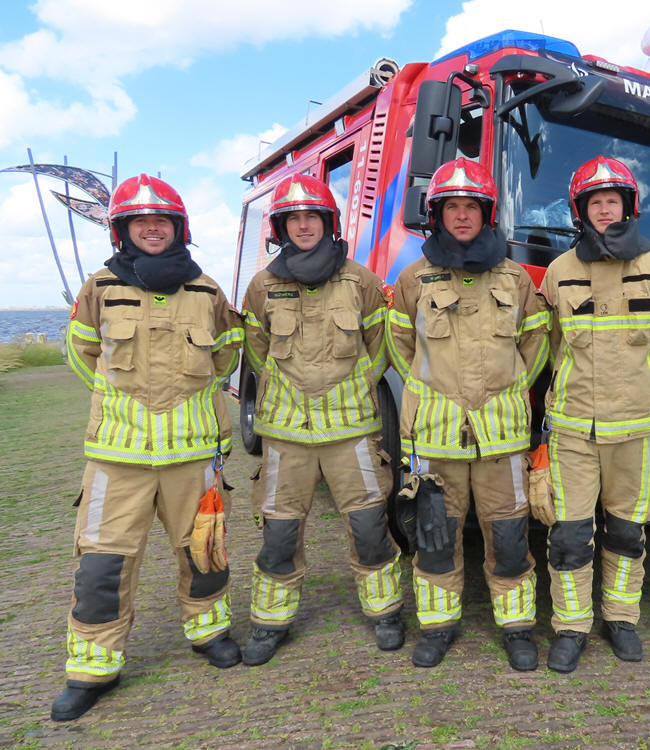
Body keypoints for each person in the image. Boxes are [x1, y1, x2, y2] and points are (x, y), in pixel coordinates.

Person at [54, 174, 244, 721]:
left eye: (161, 220)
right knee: (101, 565)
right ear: (123, 230)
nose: (152, 228)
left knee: (205, 551)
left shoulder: (207, 291)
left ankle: (208, 633)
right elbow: (80, 355)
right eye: (141, 221)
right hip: (118, 459)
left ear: (177, 228)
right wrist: (124, 404)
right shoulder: (100, 287)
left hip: (192, 457)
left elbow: (226, 357)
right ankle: (93, 668)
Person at [387, 157, 549, 670]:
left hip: (502, 438)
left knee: (509, 535)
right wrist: (433, 395)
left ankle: (518, 628)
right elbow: (400, 348)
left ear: (487, 214)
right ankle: (437, 627)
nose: (461, 216)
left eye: (470, 207)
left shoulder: (517, 279)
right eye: (451, 207)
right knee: (435, 535)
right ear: (437, 215)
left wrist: (508, 390)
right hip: (434, 438)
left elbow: (535, 345)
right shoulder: (414, 279)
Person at [239, 173, 404, 665]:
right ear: (281, 226)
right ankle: (270, 624)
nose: (304, 225)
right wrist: (290, 393)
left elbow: (382, 349)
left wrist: (350, 390)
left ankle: (386, 613)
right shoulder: (262, 285)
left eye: (312, 216)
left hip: (351, 433)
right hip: (286, 436)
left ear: (328, 222)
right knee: (279, 533)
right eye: (294, 218)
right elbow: (257, 349)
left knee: (370, 525)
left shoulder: (361, 281)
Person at [538, 156, 650, 672]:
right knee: (569, 535)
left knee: (629, 532)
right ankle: (571, 627)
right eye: (595, 203)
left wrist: (640, 385)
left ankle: (621, 619)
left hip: (637, 431)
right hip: (572, 430)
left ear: (629, 208)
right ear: (581, 211)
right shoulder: (560, 272)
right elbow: (550, 346)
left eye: (614, 202)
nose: (605, 211)